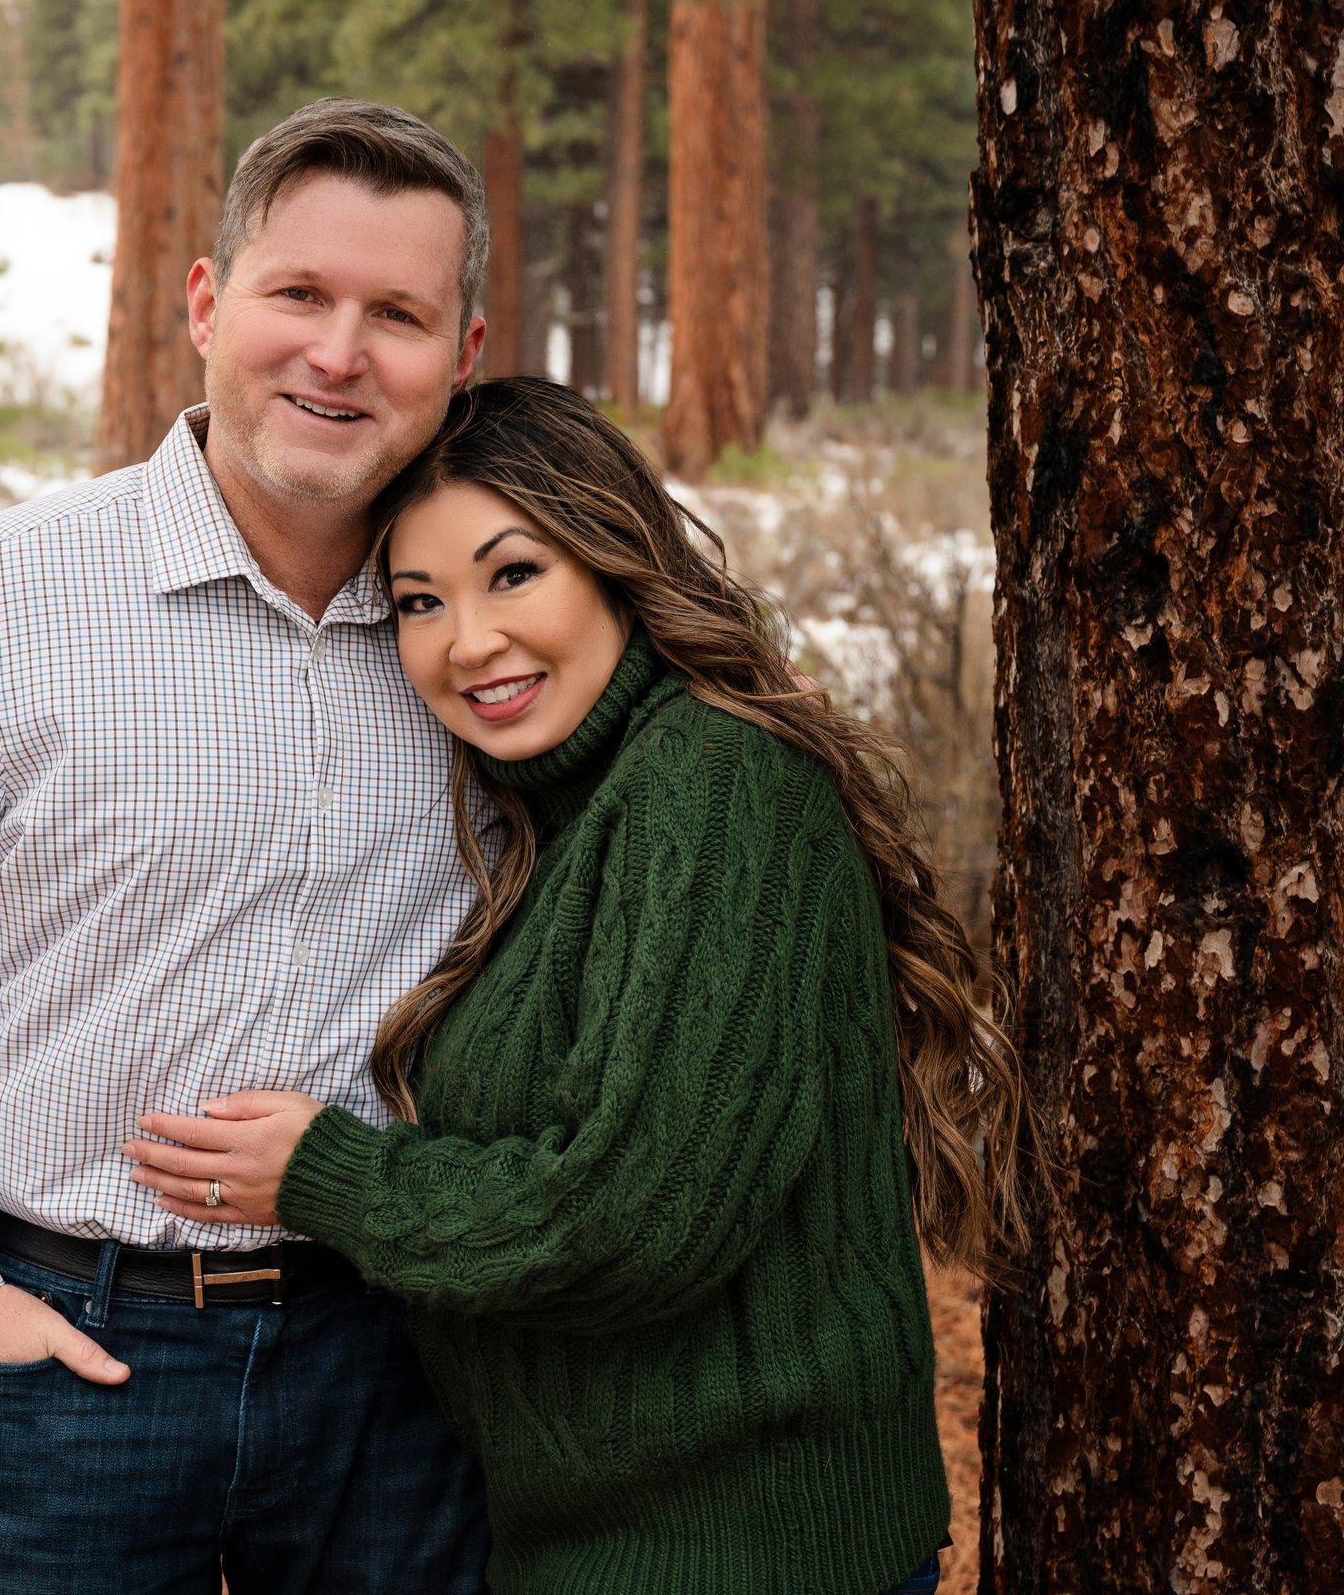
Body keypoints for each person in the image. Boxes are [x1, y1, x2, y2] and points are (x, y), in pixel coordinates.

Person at [0, 99, 498, 1592]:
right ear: (206, 304)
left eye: (395, 314)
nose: (338, 353)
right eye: (299, 293)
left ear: (461, 354)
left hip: (403, 1363)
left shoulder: (503, 631)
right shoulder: (5, 598)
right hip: (76, 1356)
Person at [124, 377, 1031, 1595]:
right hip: (602, 1538)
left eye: (513, 574)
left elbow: (634, 1221)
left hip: (740, 1550)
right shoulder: (572, 809)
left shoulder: (713, 783)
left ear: (614, 562)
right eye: (418, 601)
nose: (467, 641)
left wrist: (325, 1175)